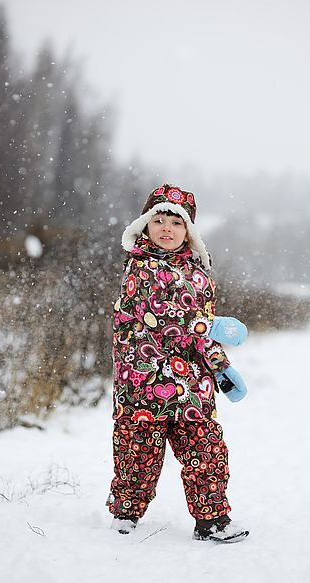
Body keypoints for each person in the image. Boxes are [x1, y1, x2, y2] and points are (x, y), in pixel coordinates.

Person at [106, 183, 249, 543]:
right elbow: (161, 316)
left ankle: (213, 520)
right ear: (145, 226)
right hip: (142, 382)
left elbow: (201, 335)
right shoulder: (139, 269)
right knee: (138, 454)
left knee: (207, 450)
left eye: (176, 222)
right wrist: (210, 324)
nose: (167, 228)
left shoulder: (200, 275)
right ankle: (125, 513)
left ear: (188, 231)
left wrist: (220, 367)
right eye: (159, 220)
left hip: (193, 387)